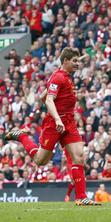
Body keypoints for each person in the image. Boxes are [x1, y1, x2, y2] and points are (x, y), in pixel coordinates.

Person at [4, 47, 100, 206]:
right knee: (40, 160)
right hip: (55, 124)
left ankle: (81, 196)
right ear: (65, 61)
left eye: (78, 61)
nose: (77, 64)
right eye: (74, 61)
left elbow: (44, 96)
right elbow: (48, 100)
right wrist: (57, 119)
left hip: (69, 123)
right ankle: (22, 136)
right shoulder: (58, 77)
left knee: (79, 157)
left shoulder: (67, 77)